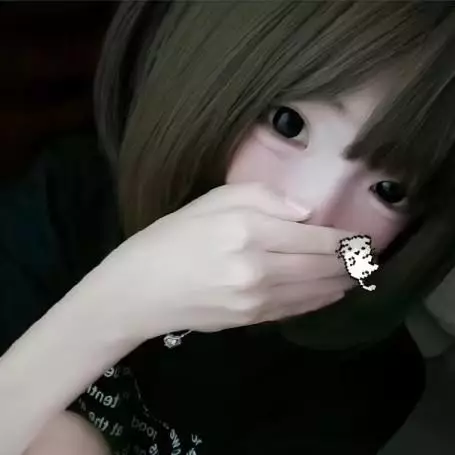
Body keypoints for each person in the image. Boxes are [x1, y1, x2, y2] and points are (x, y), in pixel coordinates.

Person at [2, 1, 455, 454]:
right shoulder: (71, 198)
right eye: (288, 124)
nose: (313, 211)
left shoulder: (368, 382)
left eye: (390, 191)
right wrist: (119, 304)